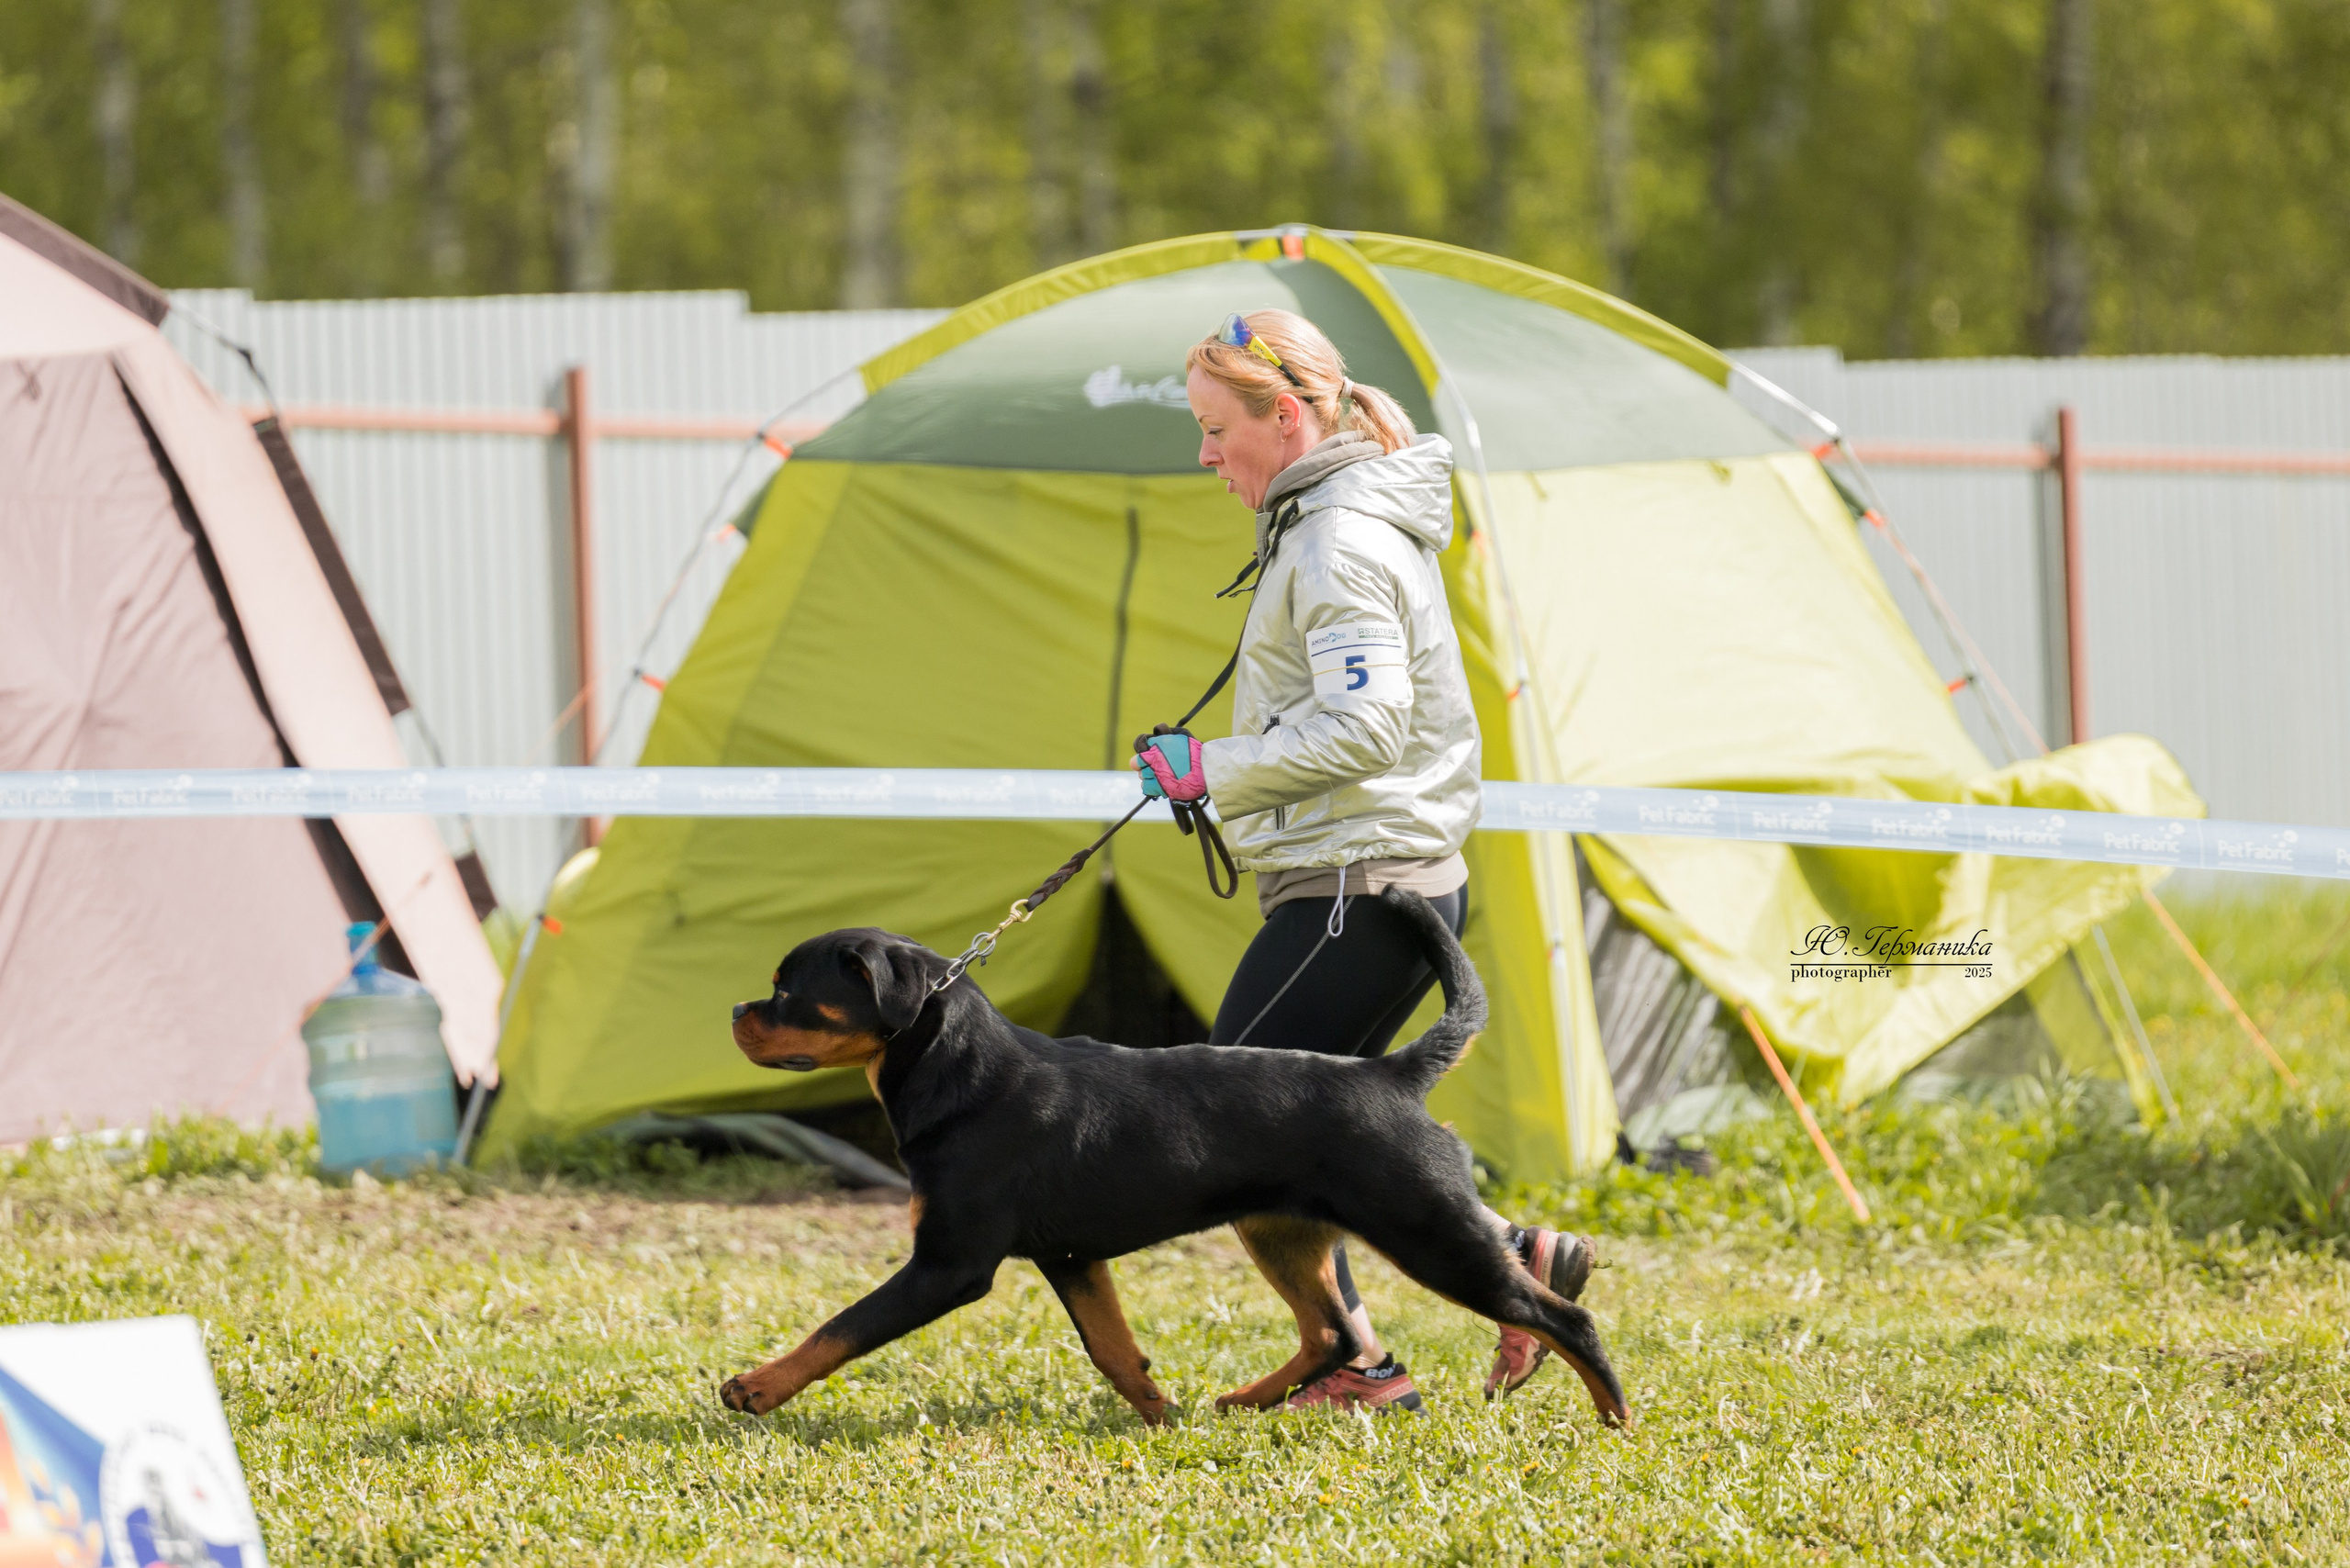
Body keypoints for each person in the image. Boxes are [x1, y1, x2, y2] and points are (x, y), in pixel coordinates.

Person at [1133, 308, 1596, 1413]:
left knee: (1233, 1130)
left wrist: (1213, 770)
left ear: (1283, 415)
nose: (1202, 455)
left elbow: (1366, 727)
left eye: (1213, 430)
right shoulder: (1322, 523)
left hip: (1361, 880)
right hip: (1363, 875)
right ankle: (1475, 1280)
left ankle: (1363, 1360)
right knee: (1315, 1137)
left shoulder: (1338, 539)